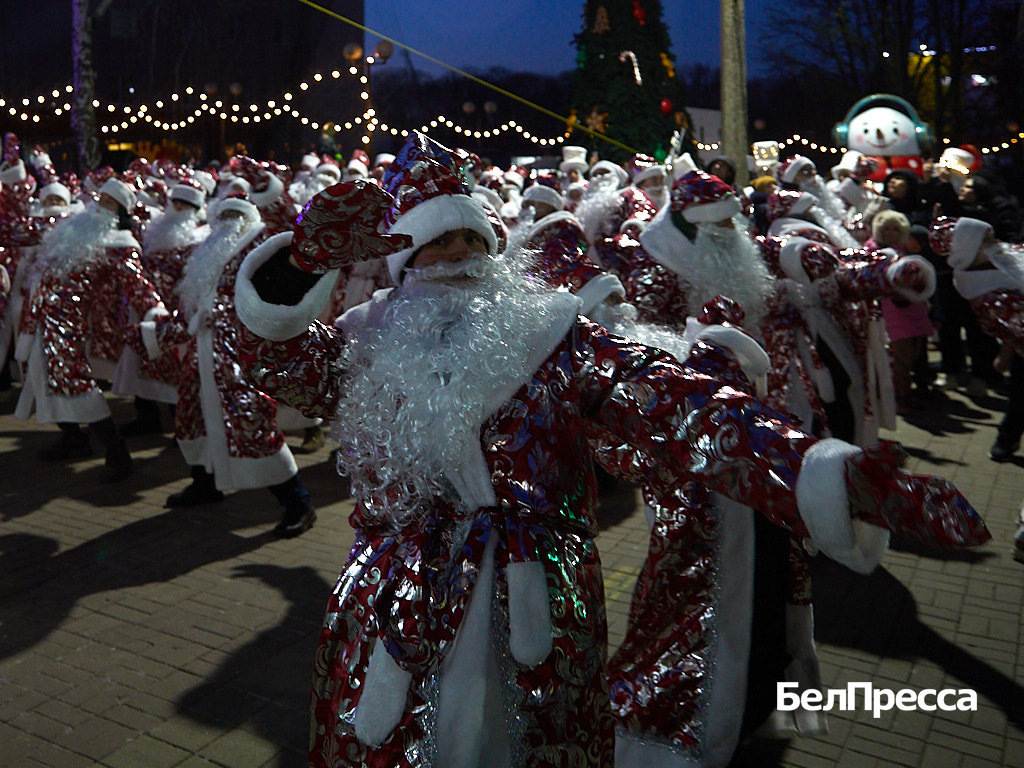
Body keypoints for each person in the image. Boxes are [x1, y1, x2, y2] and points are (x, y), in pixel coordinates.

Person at [232, 134, 988, 767]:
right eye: (435, 242)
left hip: (530, 598)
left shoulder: (554, 336)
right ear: (402, 258)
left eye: (471, 237)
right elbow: (271, 358)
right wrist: (298, 263)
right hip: (392, 602)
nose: (456, 257)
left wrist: (825, 474)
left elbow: (678, 408)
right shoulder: (361, 341)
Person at [137, 193, 316, 536]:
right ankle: (204, 483)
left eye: (238, 214)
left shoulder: (260, 250)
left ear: (249, 218)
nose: (230, 221)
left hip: (238, 354)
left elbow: (266, 297)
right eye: (226, 213)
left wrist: (218, 316)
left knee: (250, 423)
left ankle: (299, 502)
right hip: (201, 350)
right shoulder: (207, 249)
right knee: (193, 416)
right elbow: (193, 299)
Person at [14, 177, 166, 481]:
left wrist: (154, 308)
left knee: (77, 386)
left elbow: (138, 282)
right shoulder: (70, 226)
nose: (100, 205)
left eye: (110, 202)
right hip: (42, 320)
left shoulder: (119, 244)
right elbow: (21, 231)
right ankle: (74, 439)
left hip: (72, 326)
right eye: (101, 198)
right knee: (43, 380)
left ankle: (117, 451)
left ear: (120, 211)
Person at [930, 216, 1024, 462]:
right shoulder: (984, 289)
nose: (995, 241)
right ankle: (1006, 442)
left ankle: (1007, 440)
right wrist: (1006, 354)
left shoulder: (1000, 259)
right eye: (986, 239)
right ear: (970, 248)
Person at [866, 210, 934, 412]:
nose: (890, 232)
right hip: (889, 311)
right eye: (886, 228)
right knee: (897, 359)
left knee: (911, 355)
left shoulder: (907, 249)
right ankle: (897, 398)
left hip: (913, 309)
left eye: (895, 228)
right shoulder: (871, 251)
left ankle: (905, 393)